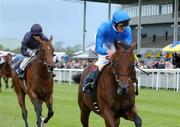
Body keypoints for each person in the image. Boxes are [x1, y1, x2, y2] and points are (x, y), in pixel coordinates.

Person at [83, 10, 135, 93]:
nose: (124, 28)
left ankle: (133, 83)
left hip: (116, 42)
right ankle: (88, 82)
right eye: (121, 25)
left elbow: (126, 48)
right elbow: (98, 48)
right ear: (114, 23)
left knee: (125, 61)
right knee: (102, 61)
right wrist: (107, 52)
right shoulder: (103, 28)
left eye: (126, 25)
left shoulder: (127, 30)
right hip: (103, 41)